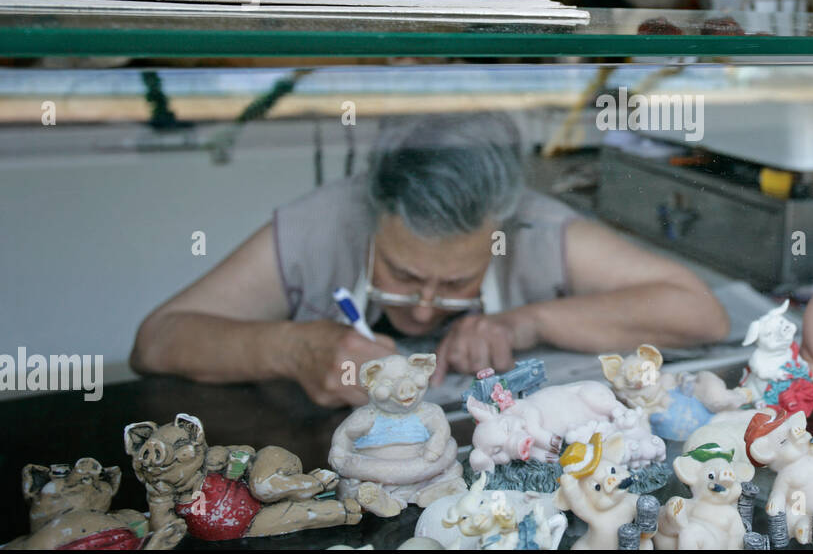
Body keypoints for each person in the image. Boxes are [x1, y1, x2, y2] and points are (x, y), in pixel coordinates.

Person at [131, 112, 730, 407]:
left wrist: (526, 322)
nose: (423, 307)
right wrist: (293, 348)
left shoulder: (532, 226)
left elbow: (700, 313)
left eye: (457, 282)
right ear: (374, 217)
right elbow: (159, 339)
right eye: (403, 274)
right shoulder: (325, 223)